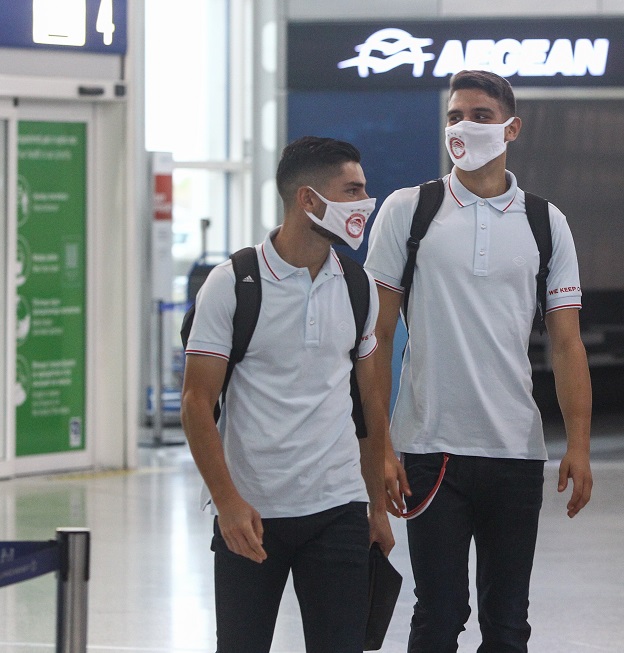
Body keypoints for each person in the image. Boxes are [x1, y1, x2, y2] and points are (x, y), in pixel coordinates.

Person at [365, 70, 593, 652]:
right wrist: (381, 446)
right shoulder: (409, 210)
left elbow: (567, 344)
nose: (464, 127)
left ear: (512, 129)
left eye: (481, 116)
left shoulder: (546, 221)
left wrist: (580, 444)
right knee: (438, 616)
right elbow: (376, 336)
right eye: (454, 116)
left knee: (508, 622)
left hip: (517, 452)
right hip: (430, 447)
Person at [181, 136, 394, 653]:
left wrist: (376, 507)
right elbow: (195, 402)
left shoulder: (358, 285)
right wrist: (227, 503)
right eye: (352, 190)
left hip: (338, 507)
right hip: (251, 515)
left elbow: (369, 404)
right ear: (308, 199)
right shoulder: (232, 284)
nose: (365, 203)